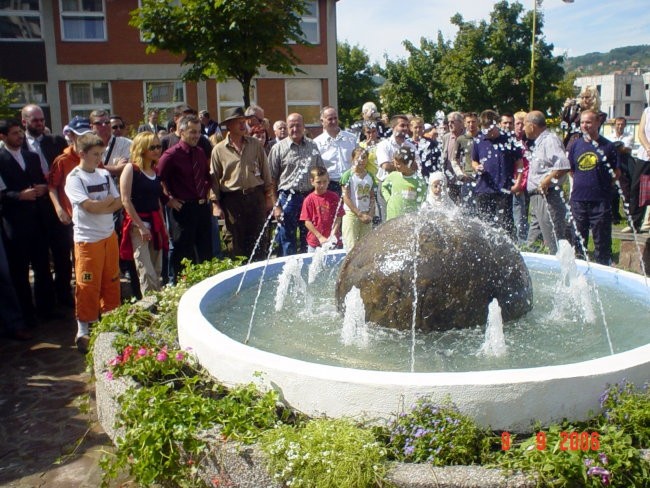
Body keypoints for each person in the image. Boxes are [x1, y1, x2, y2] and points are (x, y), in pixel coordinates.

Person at [65, 133, 122, 353]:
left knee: (112, 279)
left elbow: (118, 203)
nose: (99, 158)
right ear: (82, 154)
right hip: (87, 240)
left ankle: (111, 320)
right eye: (95, 154)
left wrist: (103, 204)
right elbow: (89, 207)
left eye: (101, 154)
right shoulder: (75, 178)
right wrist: (104, 203)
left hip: (108, 236)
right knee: (88, 283)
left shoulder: (104, 174)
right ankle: (83, 329)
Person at [0, 119, 56, 327]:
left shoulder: (31, 157)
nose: (20, 136)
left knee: (43, 267)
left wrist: (42, 188)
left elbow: (41, 180)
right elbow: (3, 194)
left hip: (37, 221)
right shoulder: (1, 159)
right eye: (14, 133)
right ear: (3, 137)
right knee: (20, 273)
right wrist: (19, 196)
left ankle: (47, 309)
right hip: (15, 224)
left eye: (20, 133)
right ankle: (26, 315)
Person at [211, 107, 275, 259]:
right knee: (234, 242)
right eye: (238, 122)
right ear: (229, 126)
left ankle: (258, 275)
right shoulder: (219, 150)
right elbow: (214, 179)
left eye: (243, 122)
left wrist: (269, 197)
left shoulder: (255, 145)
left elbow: (266, 172)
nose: (242, 125)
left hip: (255, 197)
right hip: (232, 200)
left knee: (259, 240)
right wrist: (215, 204)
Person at [157, 114, 213, 282]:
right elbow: (156, 180)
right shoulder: (170, 155)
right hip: (182, 210)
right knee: (183, 253)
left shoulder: (200, 152)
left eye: (198, 132)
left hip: (202, 208)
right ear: (181, 132)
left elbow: (205, 175)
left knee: (205, 252)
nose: (196, 136)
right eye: (192, 132)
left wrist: (207, 191)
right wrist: (168, 200)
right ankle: (183, 288)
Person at [568, 110, 620, 265]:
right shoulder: (576, 145)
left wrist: (602, 184)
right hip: (578, 200)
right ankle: (579, 272)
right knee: (577, 242)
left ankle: (603, 270)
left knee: (602, 243)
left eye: (589, 122)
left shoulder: (608, 146)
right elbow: (571, 170)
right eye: (582, 122)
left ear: (597, 123)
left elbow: (616, 173)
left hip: (600, 202)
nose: (585, 125)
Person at [269, 113, 325, 256]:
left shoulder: (312, 146)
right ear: (287, 128)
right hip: (288, 199)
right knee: (287, 240)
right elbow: (271, 180)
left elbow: (320, 171)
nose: (295, 129)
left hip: (309, 198)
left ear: (303, 126)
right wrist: (276, 207)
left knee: (310, 238)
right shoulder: (278, 148)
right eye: (291, 126)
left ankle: (308, 272)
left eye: (298, 125)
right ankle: (289, 273)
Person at [119, 132, 168, 294]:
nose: (156, 150)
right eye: (151, 147)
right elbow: (125, 200)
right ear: (142, 149)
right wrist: (141, 226)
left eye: (158, 146)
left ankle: (159, 305)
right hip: (138, 225)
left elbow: (158, 201)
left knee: (157, 269)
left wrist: (163, 226)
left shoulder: (155, 171)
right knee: (146, 271)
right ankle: (150, 308)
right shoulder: (131, 169)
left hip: (155, 224)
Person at [523, 111, 570, 255]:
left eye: (525, 125)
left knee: (552, 239)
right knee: (531, 242)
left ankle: (559, 269)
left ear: (532, 126)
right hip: (537, 198)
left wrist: (545, 182)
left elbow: (563, 165)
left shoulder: (550, 140)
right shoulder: (539, 142)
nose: (523, 128)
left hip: (548, 196)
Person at [471, 110, 523, 237]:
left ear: (497, 125)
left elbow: (520, 162)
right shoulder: (478, 140)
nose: (487, 133)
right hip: (483, 188)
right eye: (485, 130)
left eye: (490, 130)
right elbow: (473, 161)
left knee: (505, 225)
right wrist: (477, 167)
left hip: (504, 189)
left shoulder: (508, 140)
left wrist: (518, 183)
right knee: (483, 225)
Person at [375, 114, 418, 221]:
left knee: (406, 218)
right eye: (402, 125)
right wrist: (406, 166)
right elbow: (386, 166)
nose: (405, 129)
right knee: (387, 220)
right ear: (393, 127)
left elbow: (416, 166)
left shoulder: (411, 146)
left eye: (407, 126)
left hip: (406, 184)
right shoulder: (384, 145)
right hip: (387, 186)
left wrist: (398, 165)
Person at [299, 166, 344, 252]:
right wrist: (319, 236)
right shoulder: (309, 200)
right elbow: (307, 222)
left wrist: (333, 234)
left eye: (325, 181)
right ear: (312, 182)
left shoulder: (334, 197)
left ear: (329, 181)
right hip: (314, 242)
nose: (322, 185)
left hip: (333, 241)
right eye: (318, 182)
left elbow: (338, 217)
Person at [314, 106, 356, 194]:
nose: (333, 121)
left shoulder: (352, 138)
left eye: (335, 118)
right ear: (322, 121)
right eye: (330, 119)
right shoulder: (316, 143)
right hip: (329, 186)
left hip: (351, 183)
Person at [340, 147, 375, 250]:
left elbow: (372, 197)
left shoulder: (370, 176)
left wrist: (370, 214)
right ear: (352, 159)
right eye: (358, 158)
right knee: (351, 246)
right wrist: (359, 214)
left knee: (365, 247)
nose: (361, 160)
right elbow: (346, 197)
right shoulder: (348, 175)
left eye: (364, 158)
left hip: (366, 214)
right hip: (351, 214)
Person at [381, 146, 427, 221]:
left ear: (408, 164)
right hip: (392, 217)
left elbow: (422, 201)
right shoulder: (393, 176)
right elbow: (384, 187)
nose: (395, 166)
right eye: (395, 163)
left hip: (409, 220)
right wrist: (388, 199)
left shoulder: (419, 182)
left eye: (398, 164)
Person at [624, 107, 650, 233]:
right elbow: (641, 133)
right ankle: (634, 222)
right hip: (645, 155)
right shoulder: (647, 111)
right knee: (637, 188)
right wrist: (648, 147)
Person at [512, 111, 531, 244]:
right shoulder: (509, 140)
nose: (520, 127)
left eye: (523, 124)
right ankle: (518, 238)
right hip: (514, 181)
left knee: (523, 212)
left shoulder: (529, 142)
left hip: (527, 181)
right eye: (518, 123)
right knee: (516, 210)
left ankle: (523, 239)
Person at [440, 111, 466, 203]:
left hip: (464, 176)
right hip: (449, 177)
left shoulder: (467, 137)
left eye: (452, 122)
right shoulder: (445, 137)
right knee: (451, 205)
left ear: (460, 123)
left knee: (465, 205)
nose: (450, 124)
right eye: (449, 122)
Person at [409, 115, 442, 180]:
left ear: (423, 128)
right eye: (416, 127)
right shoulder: (407, 144)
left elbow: (438, 160)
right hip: (412, 177)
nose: (418, 130)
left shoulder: (431, 143)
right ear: (411, 128)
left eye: (420, 127)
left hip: (428, 176)